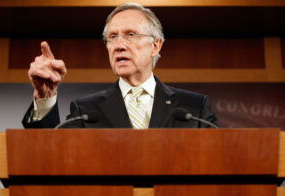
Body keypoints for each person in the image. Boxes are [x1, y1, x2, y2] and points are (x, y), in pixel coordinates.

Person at [22, 2, 218, 129]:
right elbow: (50, 155)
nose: (119, 45)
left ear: (155, 45)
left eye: (131, 35)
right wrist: (44, 97)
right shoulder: (86, 111)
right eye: (112, 37)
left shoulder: (194, 108)